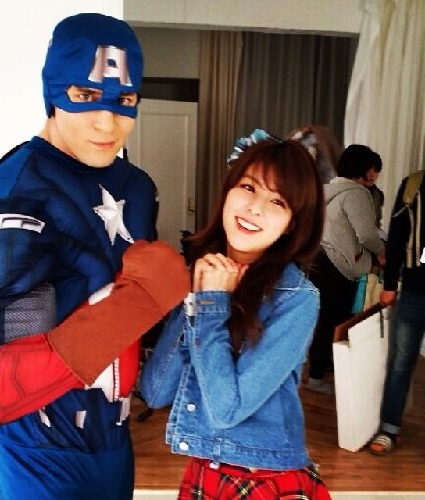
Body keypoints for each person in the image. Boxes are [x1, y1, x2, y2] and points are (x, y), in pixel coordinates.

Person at [0, 13, 190, 500]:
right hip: (40, 451)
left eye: (125, 100)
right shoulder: (19, 192)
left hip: (114, 439)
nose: (107, 122)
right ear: (53, 90)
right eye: (84, 94)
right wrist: (136, 303)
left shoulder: (137, 189)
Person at [139, 129, 332, 499]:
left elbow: (227, 409)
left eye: (278, 201)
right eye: (248, 187)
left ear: (292, 223)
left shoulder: (297, 299)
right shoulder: (203, 274)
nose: (255, 208)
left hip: (264, 477)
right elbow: (156, 391)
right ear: (228, 190)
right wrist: (197, 297)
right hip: (205, 468)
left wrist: (211, 306)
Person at [306, 144, 386, 394]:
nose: (376, 175)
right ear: (364, 169)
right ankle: (317, 377)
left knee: (324, 319)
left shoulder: (325, 190)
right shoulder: (356, 194)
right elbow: (367, 234)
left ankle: (322, 366)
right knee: (334, 321)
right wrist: (381, 253)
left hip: (319, 260)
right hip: (339, 265)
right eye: (375, 169)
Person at [369, 171, 425, 456]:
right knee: (401, 363)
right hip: (415, 290)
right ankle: (389, 428)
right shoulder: (414, 186)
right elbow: (398, 236)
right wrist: (389, 285)